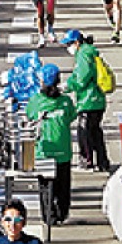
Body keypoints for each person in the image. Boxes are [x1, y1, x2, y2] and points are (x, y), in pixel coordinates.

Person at [24, 64, 75, 227]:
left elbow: (29, 117)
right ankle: (62, 212)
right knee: (63, 184)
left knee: (45, 186)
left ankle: (48, 215)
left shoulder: (35, 101)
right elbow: (71, 117)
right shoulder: (65, 101)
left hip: (43, 151)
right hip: (63, 150)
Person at [62, 31, 109, 172]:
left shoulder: (83, 55)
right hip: (97, 100)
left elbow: (82, 78)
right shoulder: (90, 52)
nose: (68, 47)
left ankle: (86, 161)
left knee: (84, 132)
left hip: (89, 100)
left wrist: (68, 86)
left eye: (69, 44)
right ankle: (102, 161)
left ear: (77, 42)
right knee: (95, 132)